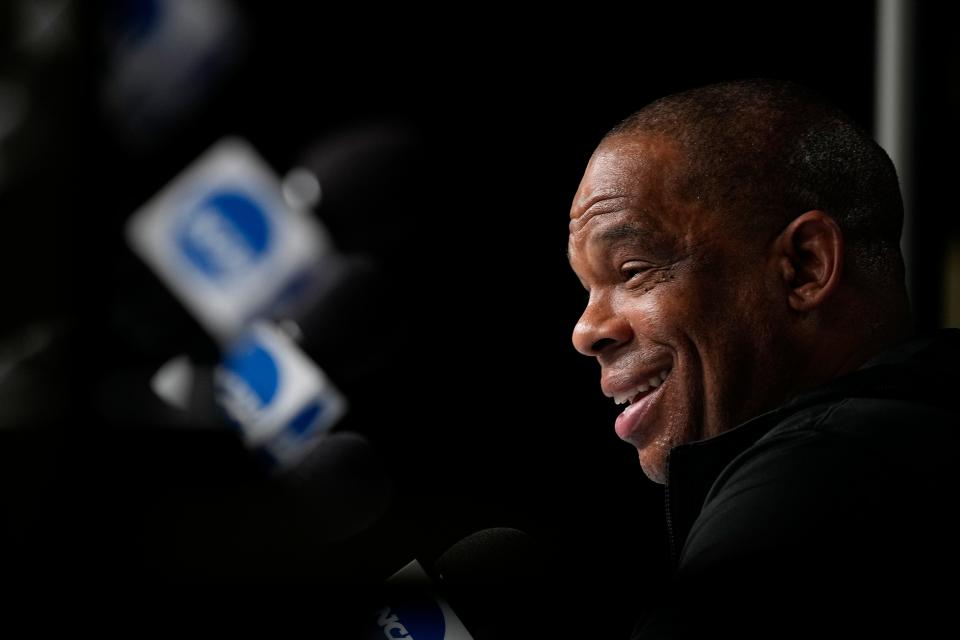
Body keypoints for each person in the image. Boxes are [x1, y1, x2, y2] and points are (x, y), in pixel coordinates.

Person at [567, 79, 959, 638]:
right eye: (586, 288)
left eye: (631, 270)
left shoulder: (819, 474)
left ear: (804, 265)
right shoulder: (914, 435)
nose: (586, 331)